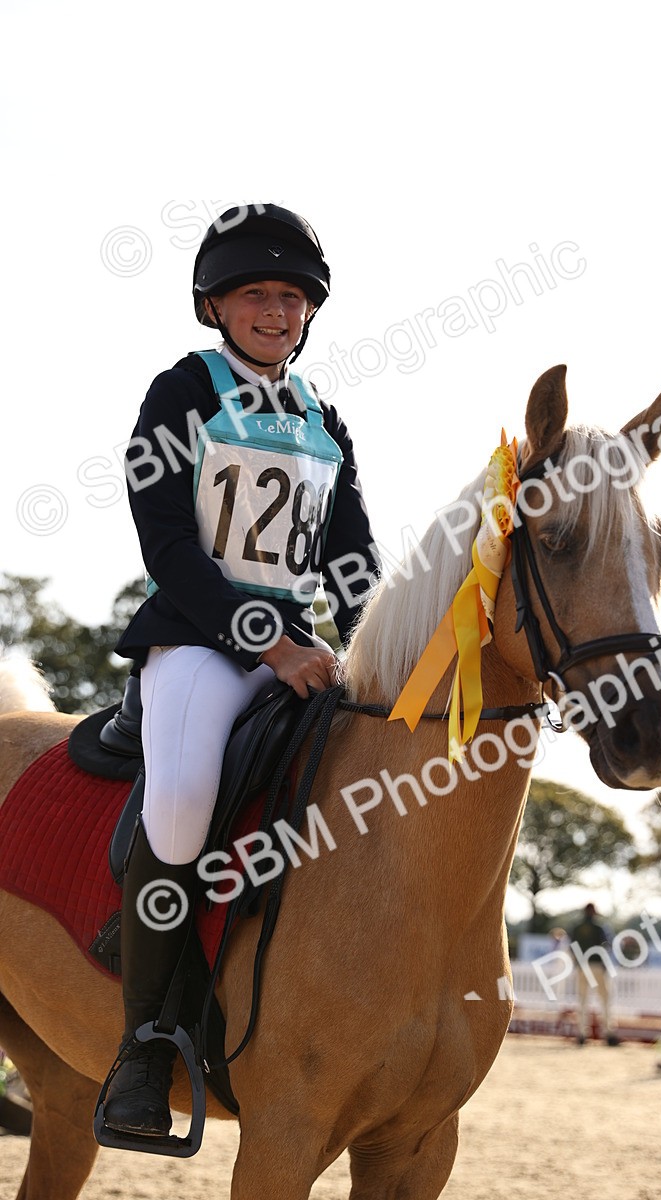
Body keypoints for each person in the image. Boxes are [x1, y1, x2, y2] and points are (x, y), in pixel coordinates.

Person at [101, 203, 380, 1137]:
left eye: (292, 297)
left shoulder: (322, 414)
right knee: (181, 795)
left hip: (298, 656)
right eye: (256, 293)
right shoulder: (181, 391)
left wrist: (378, 642)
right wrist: (273, 641)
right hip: (198, 647)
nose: (276, 310)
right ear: (216, 305)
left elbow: (350, 553)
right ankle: (143, 1044)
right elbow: (169, 546)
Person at [569, 903, 620, 1046]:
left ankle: (581, 1034)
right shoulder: (600, 927)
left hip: (582, 967)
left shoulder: (577, 928)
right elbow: (607, 945)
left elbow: (572, 947)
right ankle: (609, 1033)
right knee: (605, 1000)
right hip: (597, 965)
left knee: (582, 1000)